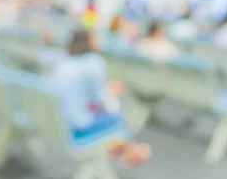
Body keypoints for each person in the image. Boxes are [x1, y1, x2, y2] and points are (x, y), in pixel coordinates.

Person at [47, 30, 151, 167]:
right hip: (78, 126)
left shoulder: (62, 61)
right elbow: (98, 99)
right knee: (117, 115)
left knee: (110, 114)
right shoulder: (94, 62)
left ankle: (123, 149)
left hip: (59, 121)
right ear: (90, 41)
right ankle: (127, 150)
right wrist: (112, 93)